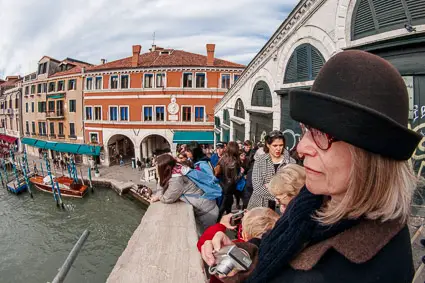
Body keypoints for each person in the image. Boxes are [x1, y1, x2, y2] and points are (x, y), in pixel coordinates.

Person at [200, 50, 420, 283]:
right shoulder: (314, 202)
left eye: (321, 134)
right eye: (306, 130)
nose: (302, 147)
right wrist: (244, 252)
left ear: (367, 155)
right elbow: (279, 243)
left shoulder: (361, 268)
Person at [197, 208, 279, 283]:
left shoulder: (235, 246)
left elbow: (202, 243)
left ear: (244, 235)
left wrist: (221, 224)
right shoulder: (277, 254)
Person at [150, 154, 218, 231]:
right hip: (206, 208)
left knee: (208, 238)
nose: (156, 170)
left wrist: (159, 181)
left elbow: (166, 198)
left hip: (207, 213)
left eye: (157, 168)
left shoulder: (177, 179)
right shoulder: (178, 169)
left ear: (164, 169)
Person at [248, 130, 295, 209]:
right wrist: (277, 196)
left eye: (281, 145)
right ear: (268, 145)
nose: (278, 148)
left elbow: (291, 186)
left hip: (283, 206)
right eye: (275, 145)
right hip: (260, 204)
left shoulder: (291, 162)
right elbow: (257, 187)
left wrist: (269, 186)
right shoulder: (260, 160)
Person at [214, 141, 242, 219]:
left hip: (221, 185)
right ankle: (220, 223)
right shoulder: (234, 162)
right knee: (225, 207)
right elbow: (235, 179)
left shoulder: (222, 158)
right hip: (229, 187)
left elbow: (218, 172)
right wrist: (241, 173)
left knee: (223, 207)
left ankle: (220, 222)